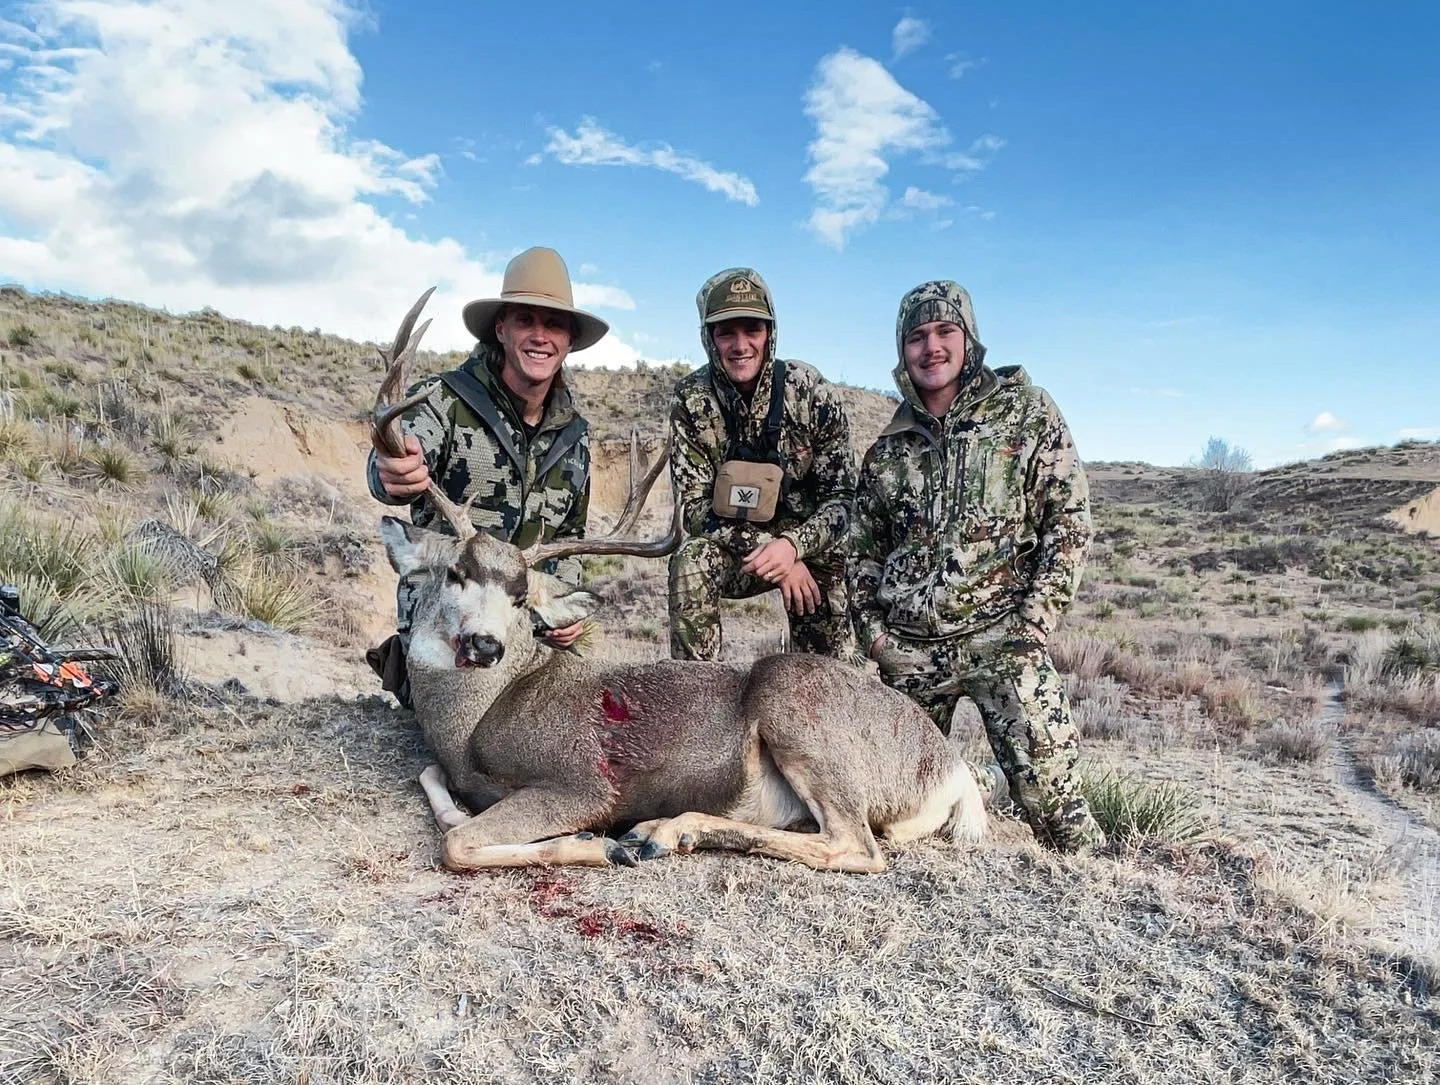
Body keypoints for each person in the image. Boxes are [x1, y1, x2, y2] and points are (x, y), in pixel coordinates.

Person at [849, 280, 1106, 853]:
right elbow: (862, 552)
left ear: (969, 339)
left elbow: (1069, 519)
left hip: (1003, 640)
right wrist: (875, 638)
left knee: (1057, 808)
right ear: (902, 351)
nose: (931, 347)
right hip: (909, 650)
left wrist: (1034, 623)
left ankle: (1088, 875)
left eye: (945, 331)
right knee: (890, 811)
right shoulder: (887, 450)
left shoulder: (1025, 412)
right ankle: (972, 790)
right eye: (917, 337)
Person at [366, 247, 603, 703]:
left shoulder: (575, 439)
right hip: (449, 617)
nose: (540, 336)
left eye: (553, 324)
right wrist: (391, 471)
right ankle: (411, 668)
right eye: (525, 320)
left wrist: (562, 609)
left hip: (520, 624)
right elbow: (392, 462)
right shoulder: (443, 401)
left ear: (569, 340)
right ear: (501, 329)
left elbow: (571, 534)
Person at [667, 268, 857, 662]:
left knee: (823, 677)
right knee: (690, 562)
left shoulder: (810, 391)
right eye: (726, 332)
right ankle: (694, 699)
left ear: (770, 333)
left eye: (752, 329)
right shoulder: (691, 400)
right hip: (739, 550)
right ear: (709, 338)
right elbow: (694, 509)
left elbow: (842, 501)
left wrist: (793, 548)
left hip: (809, 551)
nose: (740, 345)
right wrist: (769, 552)